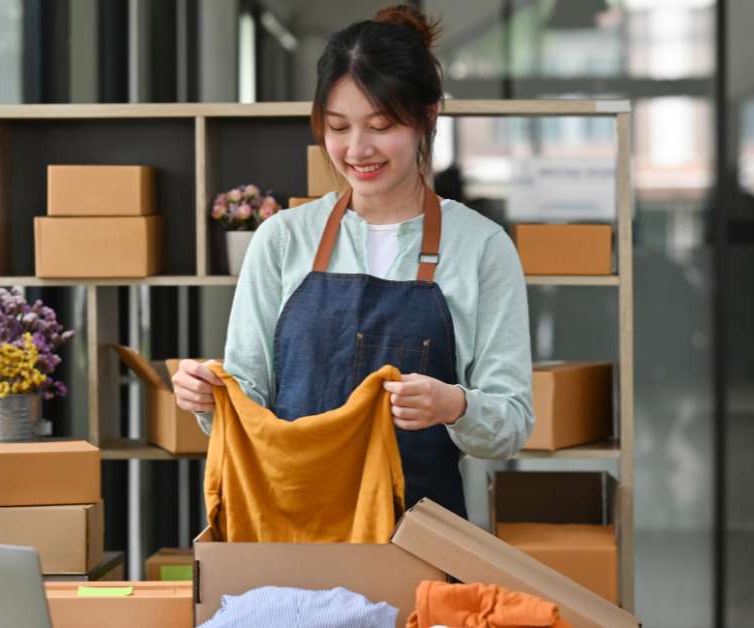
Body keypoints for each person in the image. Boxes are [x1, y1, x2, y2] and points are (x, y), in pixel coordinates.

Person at [172, 5, 533, 518]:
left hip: (419, 535)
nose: (357, 149)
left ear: (428, 116)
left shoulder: (481, 247)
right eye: (338, 127)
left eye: (380, 125)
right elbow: (247, 394)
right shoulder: (281, 239)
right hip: (290, 527)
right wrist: (211, 396)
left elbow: (512, 424)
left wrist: (454, 404)